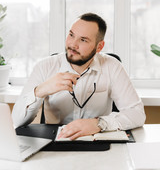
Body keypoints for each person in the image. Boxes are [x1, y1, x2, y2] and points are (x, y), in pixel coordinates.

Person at [12, 13, 146, 140]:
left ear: (99, 46)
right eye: (71, 35)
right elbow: (16, 121)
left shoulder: (112, 66)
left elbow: (137, 114)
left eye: (83, 40)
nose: (72, 44)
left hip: (97, 144)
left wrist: (99, 123)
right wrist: (40, 91)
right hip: (55, 143)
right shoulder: (44, 66)